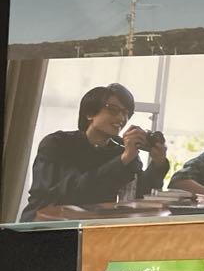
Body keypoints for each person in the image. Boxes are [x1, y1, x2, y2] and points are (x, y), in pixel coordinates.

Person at [20, 83, 168, 221]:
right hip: (44, 224)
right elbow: (69, 194)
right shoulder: (57, 143)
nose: (122, 118)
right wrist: (123, 160)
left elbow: (140, 196)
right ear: (89, 113)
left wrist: (158, 164)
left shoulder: (121, 151)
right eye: (113, 110)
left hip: (94, 227)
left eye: (126, 113)